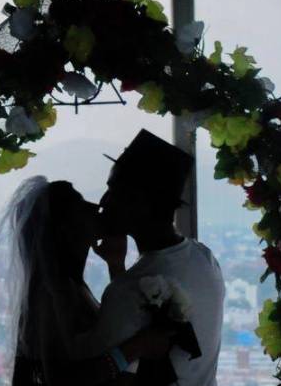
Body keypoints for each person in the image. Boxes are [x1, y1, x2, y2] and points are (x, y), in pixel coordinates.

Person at [0, 176, 174, 386]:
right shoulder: (53, 294)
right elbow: (61, 378)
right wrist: (137, 347)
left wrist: (116, 265)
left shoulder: (70, 286)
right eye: (81, 205)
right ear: (65, 227)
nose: (95, 207)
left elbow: (114, 329)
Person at [92, 129, 226, 386]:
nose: (103, 202)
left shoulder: (125, 290)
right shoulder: (205, 259)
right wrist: (116, 266)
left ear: (140, 202)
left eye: (114, 191)